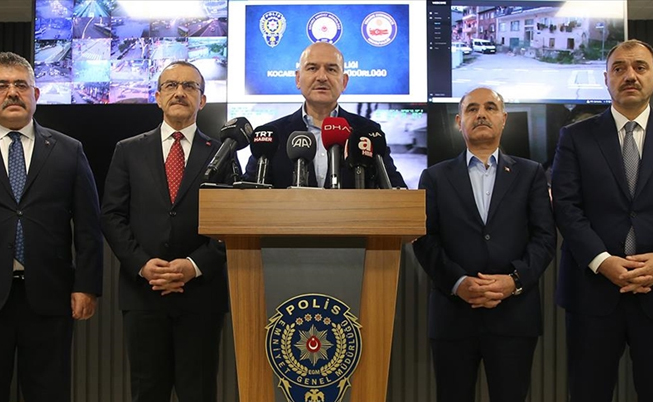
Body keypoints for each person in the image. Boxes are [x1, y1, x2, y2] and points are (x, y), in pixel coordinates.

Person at [412, 87, 556, 402]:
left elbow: (545, 238)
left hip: (514, 315)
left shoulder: (530, 173)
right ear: (458, 122)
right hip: (453, 315)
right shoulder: (434, 176)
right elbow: (425, 239)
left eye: (490, 107)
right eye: (472, 109)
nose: (481, 114)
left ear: (503, 119)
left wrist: (514, 281)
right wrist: (458, 282)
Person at [101, 61, 230, 402]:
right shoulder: (128, 150)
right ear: (158, 97)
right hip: (144, 293)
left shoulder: (222, 154)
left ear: (203, 100)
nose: (180, 92)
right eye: (171, 85)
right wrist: (143, 265)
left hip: (201, 295)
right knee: (147, 392)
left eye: (190, 86)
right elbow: (112, 216)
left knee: (199, 392)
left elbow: (232, 223)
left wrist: (194, 265)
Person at [551, 39, 653, 401]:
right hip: (592, 293)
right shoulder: (575, 137)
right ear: (605, 79)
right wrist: (602, 260)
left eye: (640, 67)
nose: (630, 76)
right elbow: (566, 206)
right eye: (619, 68)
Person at [0, 52, 103, 402]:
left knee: (48, 392)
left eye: (20, 85)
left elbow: (88, 226)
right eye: (2, 85)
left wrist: (86, 286)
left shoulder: (67, 150)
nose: (12, 92)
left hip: (50, 296)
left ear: (36, 94)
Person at [242, 41, 406, 188]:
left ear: (344, 82)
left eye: (331, 69)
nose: (321, 77)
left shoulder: (368, 132)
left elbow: (395, 190)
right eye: (312, 68)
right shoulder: (271, 134)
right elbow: (247, 194)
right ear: (298, 79)